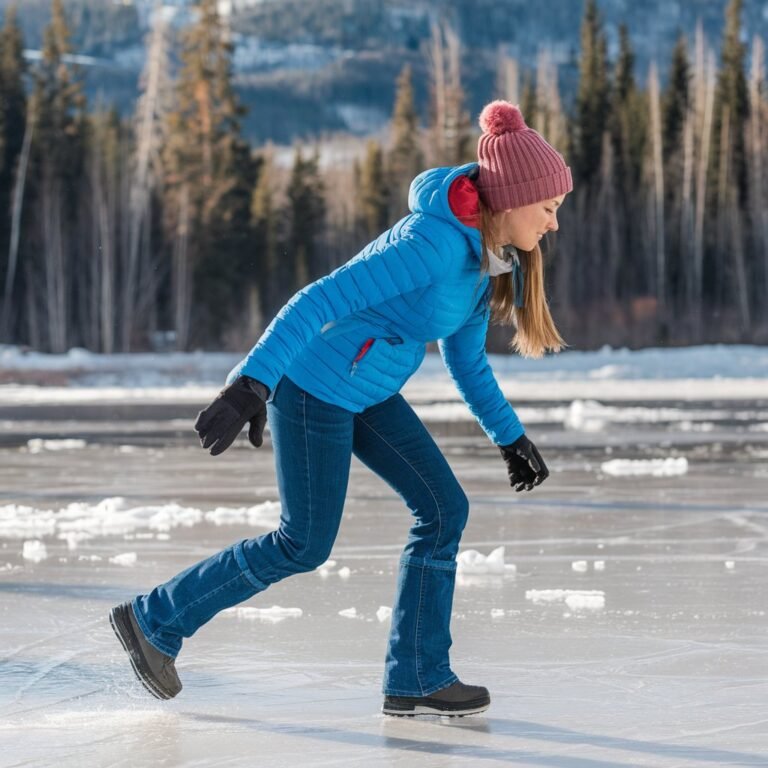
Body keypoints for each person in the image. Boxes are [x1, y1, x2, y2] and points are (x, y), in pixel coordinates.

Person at [109, 100, 572, 717]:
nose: (553, 224)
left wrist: (510, 437)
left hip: (369, 392)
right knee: (303, 543)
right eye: (548, 207)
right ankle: (156, 619)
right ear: (512, 200)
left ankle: (418, 674)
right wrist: (254, 382)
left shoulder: (484, 262)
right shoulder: (432, 245)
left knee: (443, 510)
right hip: (312, 387)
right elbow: (318, 299)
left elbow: (467, 362)